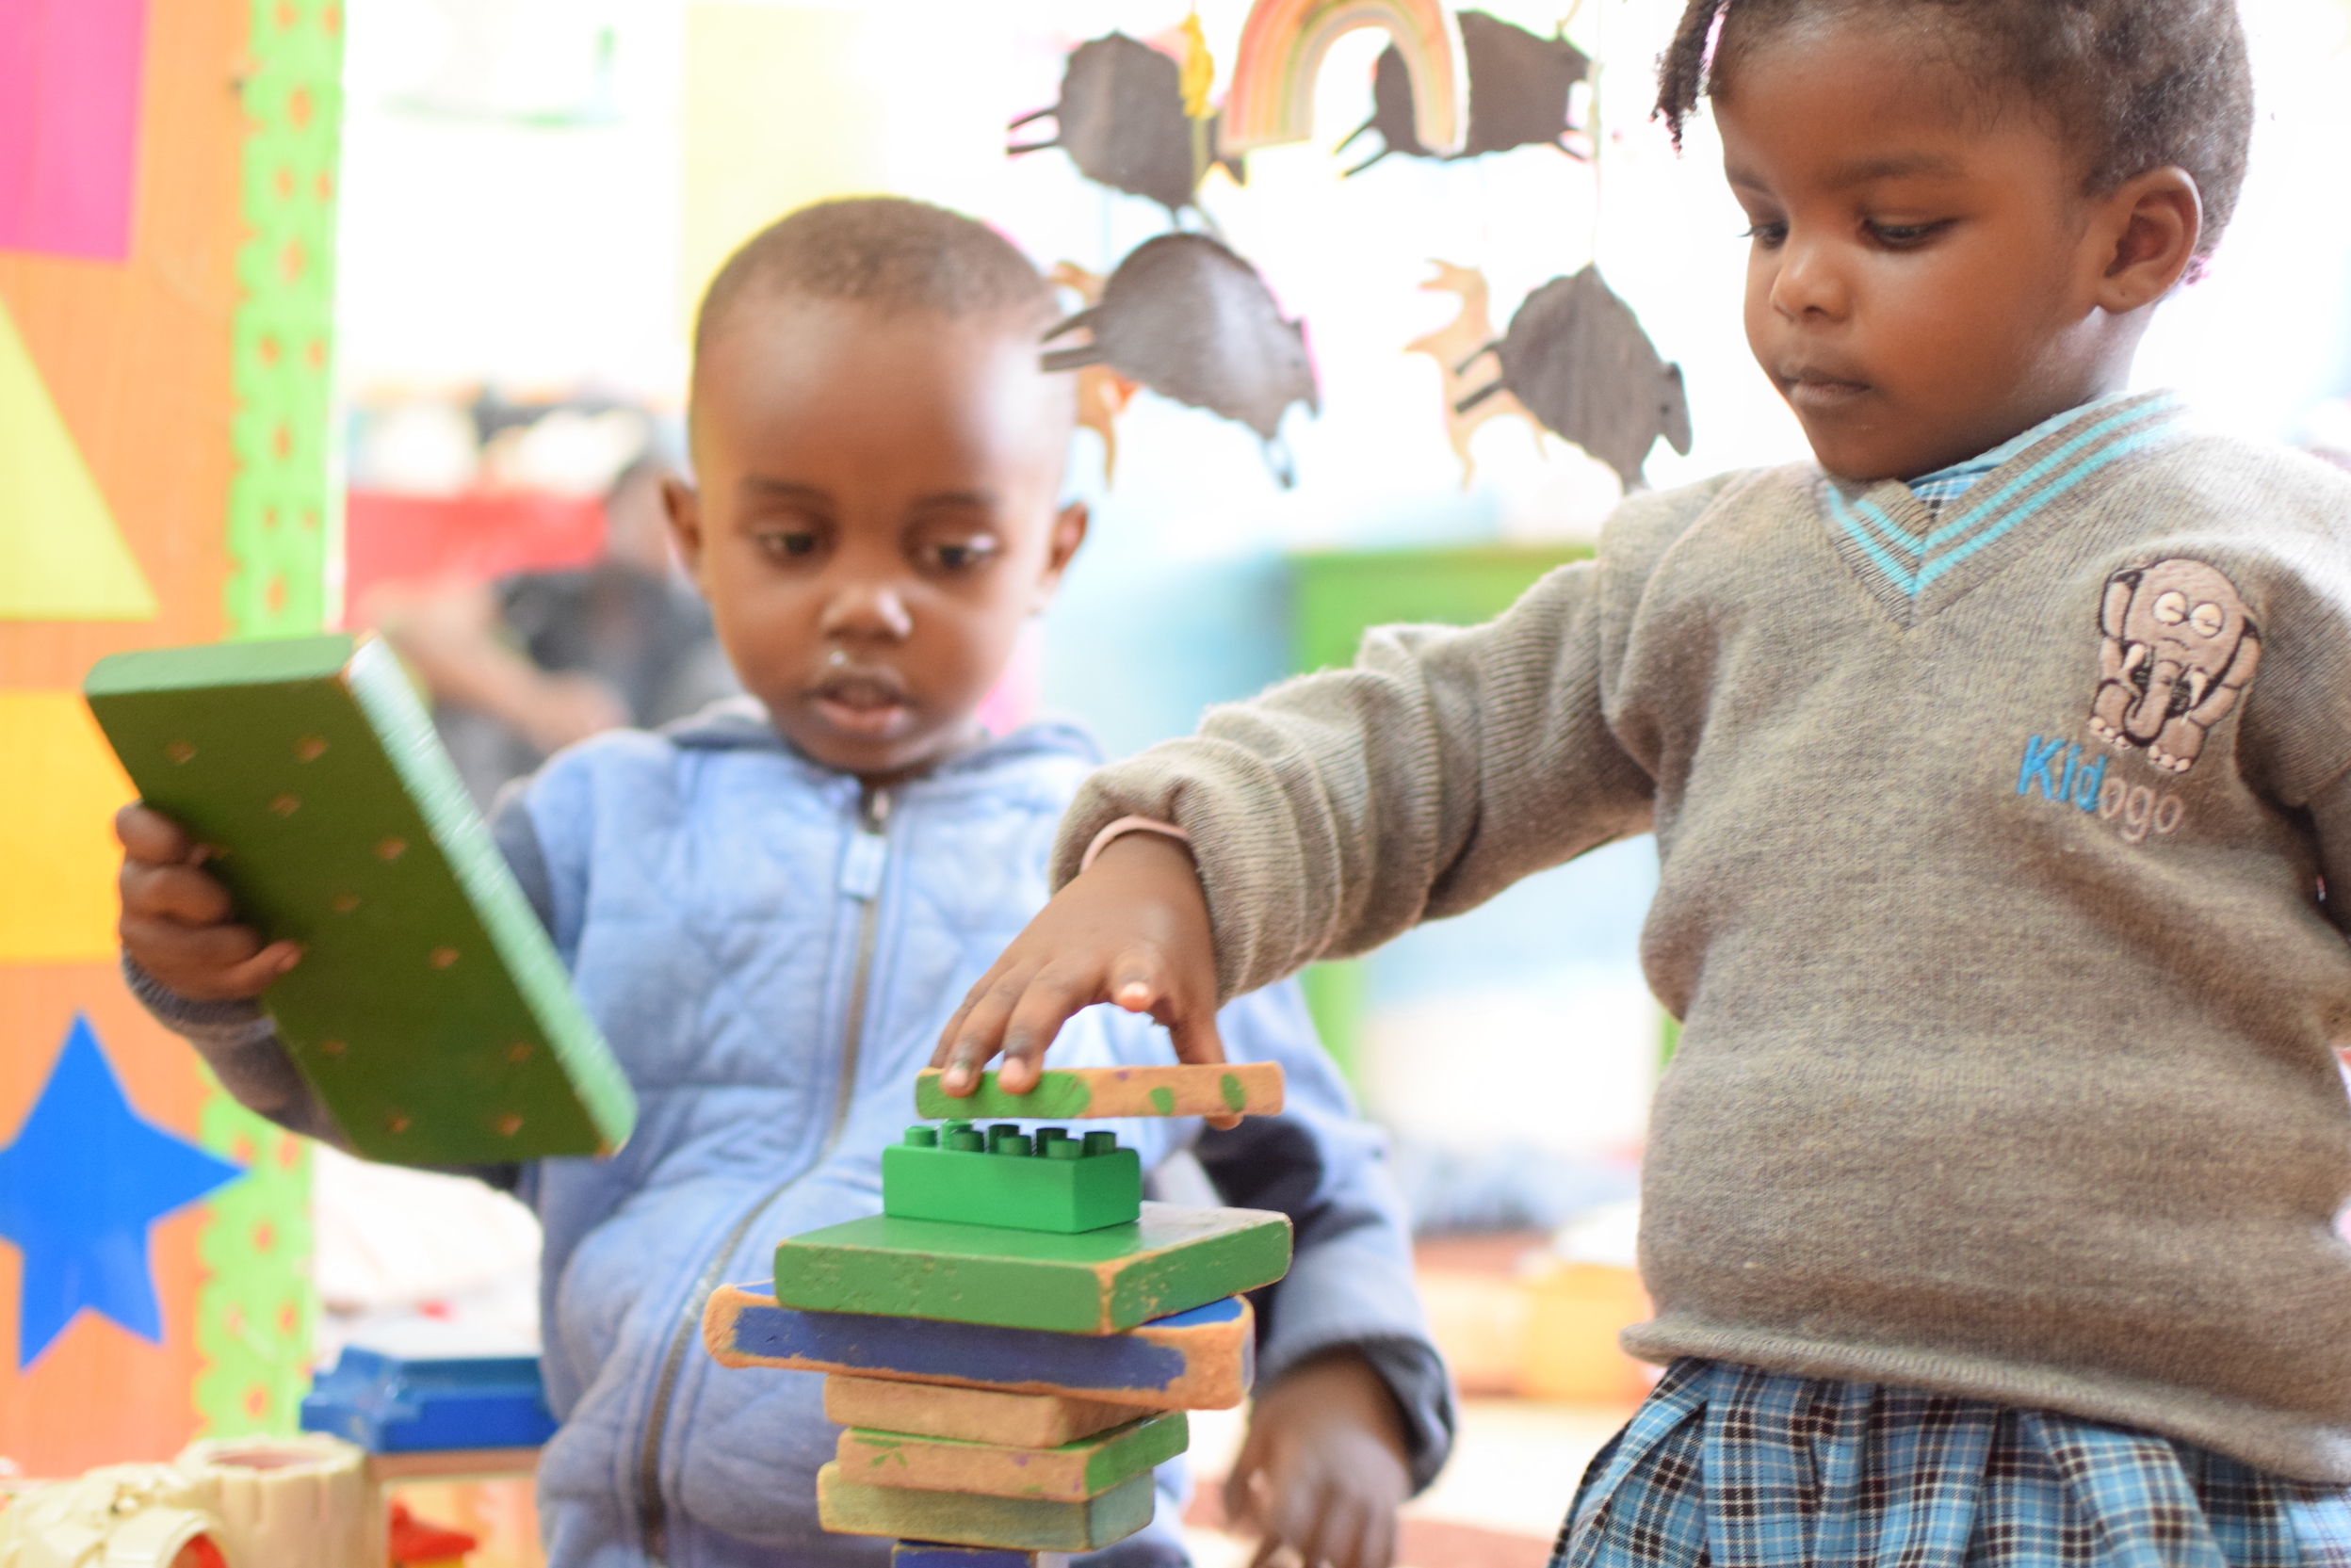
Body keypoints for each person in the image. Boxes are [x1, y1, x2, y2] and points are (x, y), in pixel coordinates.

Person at [933, 3, 2351, 1563]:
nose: (1800, 280)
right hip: (1734, 1433)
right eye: (1764, 218)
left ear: (2134, 244)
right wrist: (1175, 856)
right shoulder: (1703, 570)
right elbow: (1435, 731)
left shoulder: (2277, 567)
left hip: (2141, 1460)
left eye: (1893, 224)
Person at [113, 200, 1450, 1568]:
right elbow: (409, 1075)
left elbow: (1317, 1180)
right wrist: (227, 980)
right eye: (796, 542)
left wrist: (1345, 1377)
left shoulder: (1142, 866)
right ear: (694, 534)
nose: (867, 603)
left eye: (948, 552)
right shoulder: (592, 822)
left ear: (1052, 546)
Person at [364, 453, 740, 811]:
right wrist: (537, 702)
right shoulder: (547, 593)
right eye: (646, 515)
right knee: (465, 713)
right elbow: (416, 627)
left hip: (646, 810)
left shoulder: (702, 628)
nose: (658, 535)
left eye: (673, 521)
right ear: (611, 514)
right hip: (527, 792)